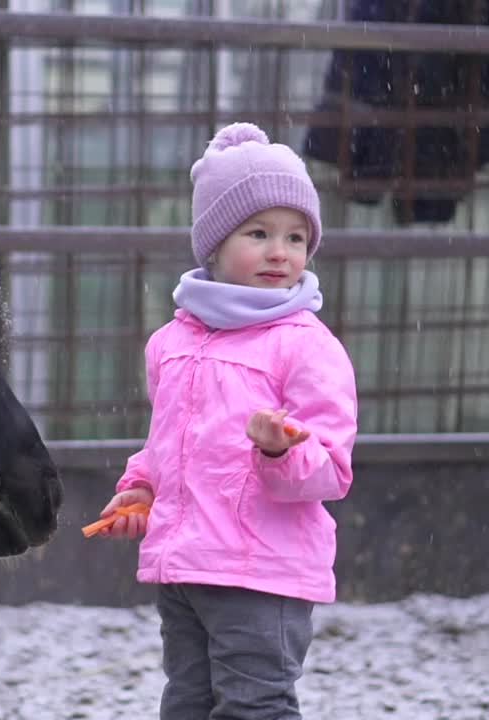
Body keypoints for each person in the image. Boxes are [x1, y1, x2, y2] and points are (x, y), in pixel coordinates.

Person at [96, 122, 358, 719]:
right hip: (184, 569)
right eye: (258, 232)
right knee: (186, 703)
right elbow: (167, 443)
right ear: (213, 244)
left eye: (296, 237)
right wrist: (139, 489)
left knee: (253, 706)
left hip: (263, 574)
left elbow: (332, 471)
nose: (279, 252)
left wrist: (279, 451)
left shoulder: (306, 346)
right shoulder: (171, 341)